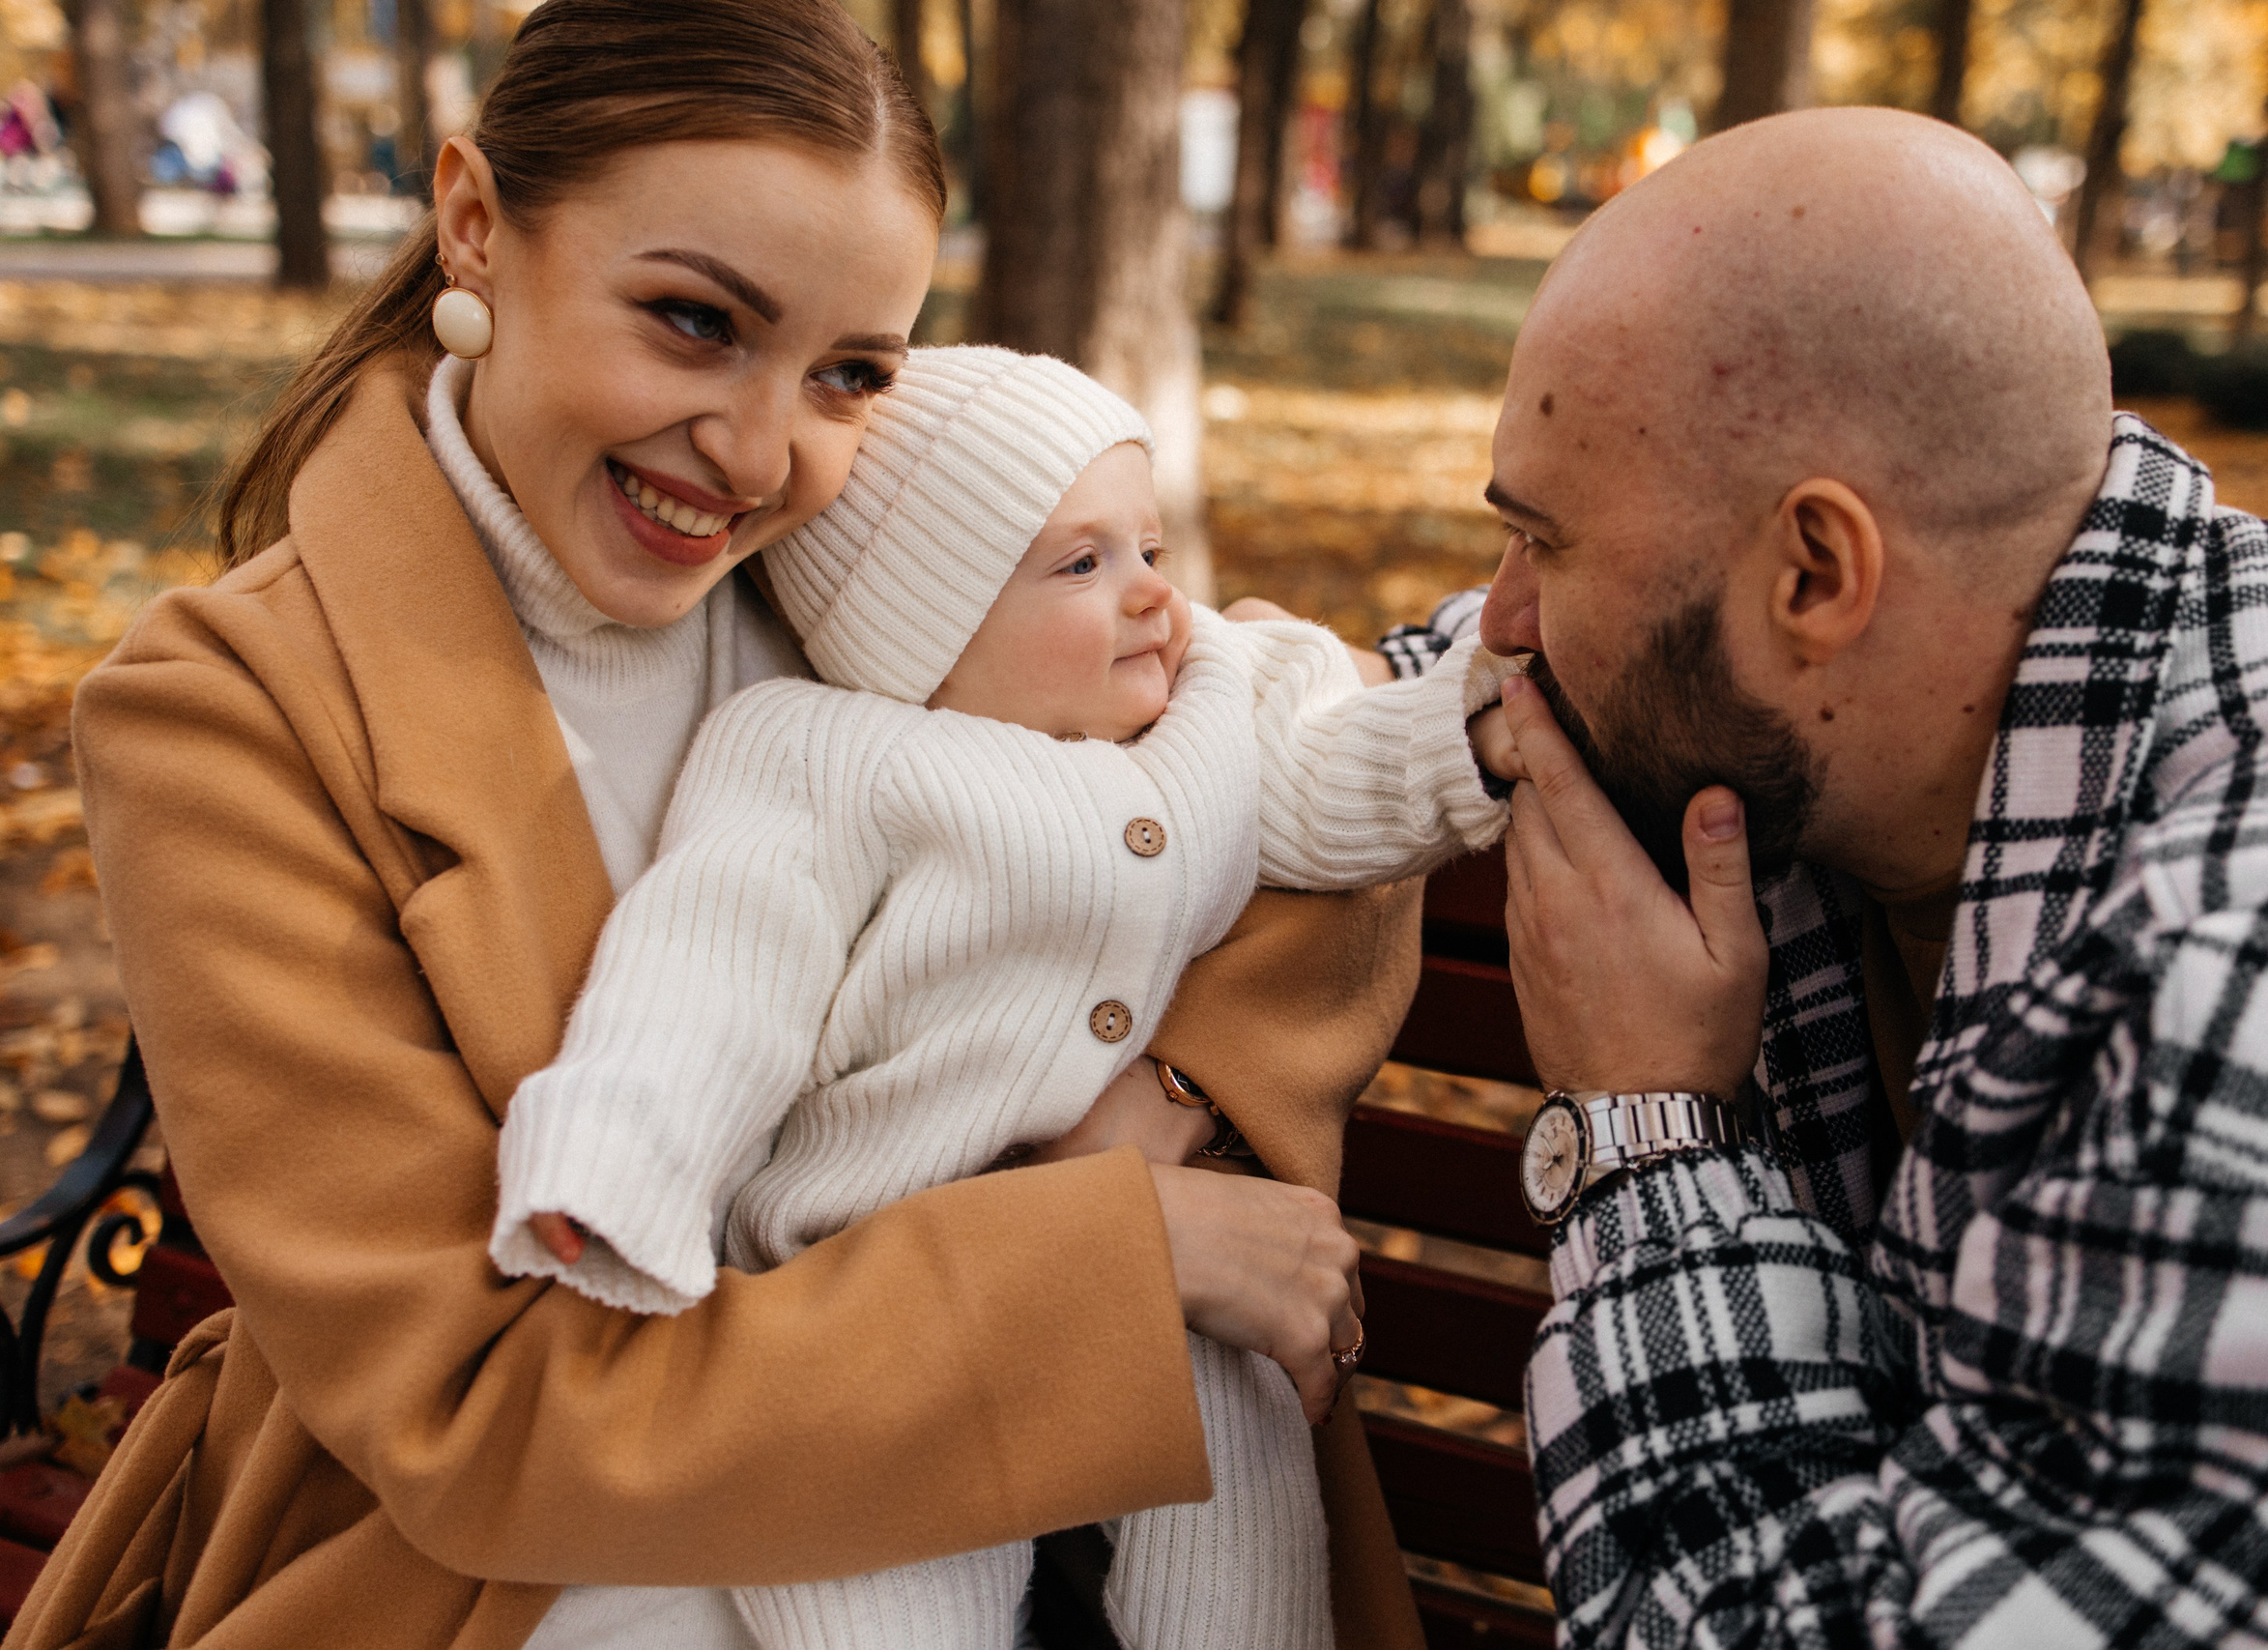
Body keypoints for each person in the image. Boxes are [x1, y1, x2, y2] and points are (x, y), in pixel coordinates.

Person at [19, 6, 1429, 1647]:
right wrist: (1116, 1259)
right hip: (510, 1580)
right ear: (474, 225)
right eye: (694, 322)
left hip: (1015, 1530)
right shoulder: (233, 715)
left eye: (848, 373)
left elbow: (1274, 726)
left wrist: (1168, 1102)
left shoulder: (863, 573)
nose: (762, 455)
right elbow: (482, 1413)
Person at [1434, 105, 2268, 1647]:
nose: (1499, 622)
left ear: (1815, 575)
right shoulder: (1896, 675)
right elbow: (1436, 674)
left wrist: (1652, 1133)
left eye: (1544, 542)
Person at [494, 346, 1516, 1650]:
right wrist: (615, 1164)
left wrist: (1472, 736)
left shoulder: (1202, 703)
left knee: (1244, 1478)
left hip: (1171, 1282)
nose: (1151, 594)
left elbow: (1325, 775)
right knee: (882, 1574)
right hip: (878, 1294)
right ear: (927, 625)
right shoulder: (822, 756)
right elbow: (710, 969)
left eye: (1149, 546)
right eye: (1081, 566)